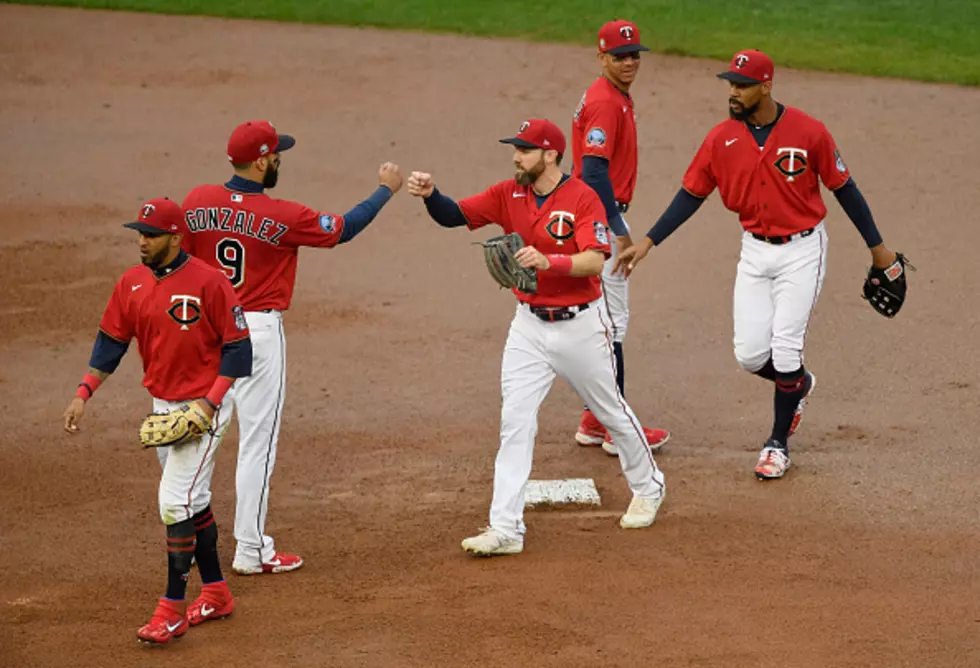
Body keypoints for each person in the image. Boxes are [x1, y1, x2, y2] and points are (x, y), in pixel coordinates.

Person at [615, 50, 903, 479]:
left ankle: (776, 445)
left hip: (803, 250)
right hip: (755, 249)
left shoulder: (809, 131)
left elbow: (844, 187)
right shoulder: (720, 139)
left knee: (786, 349)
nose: (733, 92)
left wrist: (878, 249)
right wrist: (650, 241)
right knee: (750, 355)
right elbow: (692, 194)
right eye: (730, 84)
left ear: (765, 86)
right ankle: (799, 385)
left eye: (742, 85)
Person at [406, 119, 666, 556]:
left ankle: (649, 485)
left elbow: (594, 260)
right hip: (527, 325)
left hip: (580, 325)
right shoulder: (508, 193)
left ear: (550, 155)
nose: (515, 156)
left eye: (524, 150)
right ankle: (505, 527)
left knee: (611, 411)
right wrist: (432, 195)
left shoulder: (583, 198)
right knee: (515, 422)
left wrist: (550, 262)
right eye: (515, 148)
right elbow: (456, 216)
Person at [180, 121, 403, 575]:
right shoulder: (282, 214)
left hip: (206, 334)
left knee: (200, 434)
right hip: (256, 336)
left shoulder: (197, 201)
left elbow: (182, 265)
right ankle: (249, 550)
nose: (280, 158)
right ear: (261, 160)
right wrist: (385, 190)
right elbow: (343, 229)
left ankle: (184, 540)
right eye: (276, 153)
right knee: (257, 444)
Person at [62, 198, 252, 644]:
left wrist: (208, 406)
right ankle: (218, 593)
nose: (142, 243)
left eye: (151, 235)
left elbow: (239, 350)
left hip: (207, 404)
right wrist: (83, 392)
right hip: (162, 405)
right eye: (140, 234)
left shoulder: (210, 282)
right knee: (193, 500)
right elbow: (112, 342)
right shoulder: (131, 282)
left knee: (173, 502)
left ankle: (171, 610)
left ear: (175, 237)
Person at [571, 18, 670, 457]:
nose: (629, 62)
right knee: (611, 324)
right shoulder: (606, 103)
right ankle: (618, 430)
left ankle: (595, 419)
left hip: (590, 216)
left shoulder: (612, 96)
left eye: (634, 55)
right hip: (599, 221)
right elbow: (593, 172)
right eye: (619, 56)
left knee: (601, 321)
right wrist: (620, 230)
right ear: (601, 57)